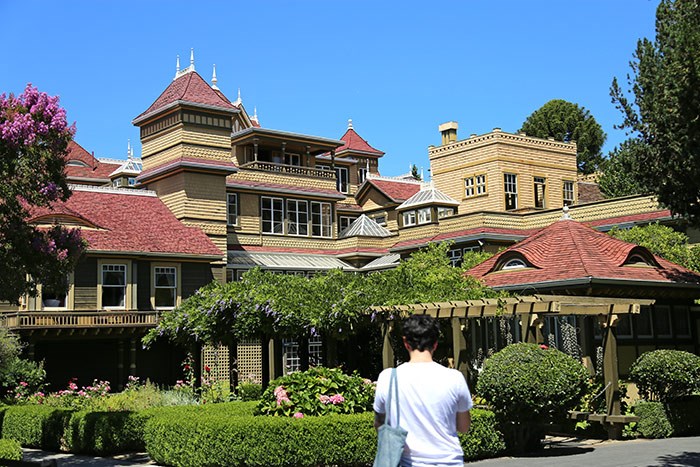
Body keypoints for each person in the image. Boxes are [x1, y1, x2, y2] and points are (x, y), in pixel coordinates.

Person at [373, 314, 472, 467]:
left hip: (408, 463)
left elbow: (380, 422)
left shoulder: (388, 378)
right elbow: (464, 427)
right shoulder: (455, 378)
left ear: (406, 342)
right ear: (435, 344)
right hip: (449, 462)